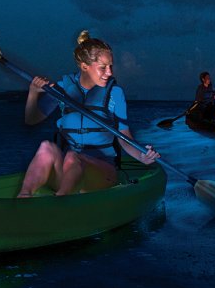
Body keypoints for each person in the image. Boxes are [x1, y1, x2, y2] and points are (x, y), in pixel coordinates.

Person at [16, 31, 160, 198]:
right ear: (85, 66)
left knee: (73, 157)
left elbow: (124, 137)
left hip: (102, 174)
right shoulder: (62, 88)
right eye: (103, 67)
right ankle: (24, 197)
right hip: (68, 172)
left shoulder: (115, 93)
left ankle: (60, 202)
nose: (110, 72)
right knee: (46, 148)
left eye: (111, 66)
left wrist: (142, 156)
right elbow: (32, 119)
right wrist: (33, 93)